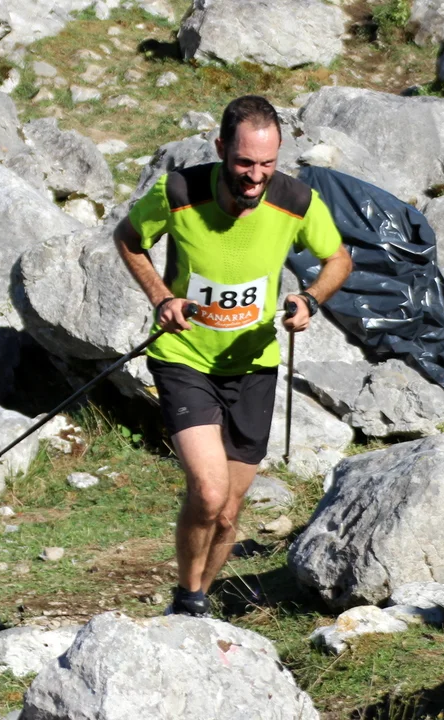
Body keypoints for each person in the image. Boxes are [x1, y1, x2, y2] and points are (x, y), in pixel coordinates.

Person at [114, 95, 352, 617]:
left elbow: (338, 259)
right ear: (222, 148)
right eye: (244, 162)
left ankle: (197, 597)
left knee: (228, 511)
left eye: (267, 163)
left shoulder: (295, 200)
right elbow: (129, 239)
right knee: (208, 490)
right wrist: (161, 297)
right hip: (184, 356)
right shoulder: (178, 192)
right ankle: (187, 597)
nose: (255, 176)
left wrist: (310, 300)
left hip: (253, 365)